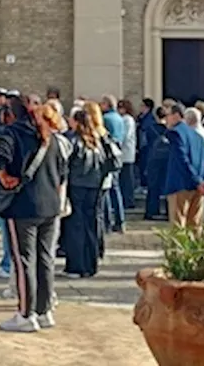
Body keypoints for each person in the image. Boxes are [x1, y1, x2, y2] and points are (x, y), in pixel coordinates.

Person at [0, 101, 68, 333]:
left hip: (24, 205)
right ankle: (44, 311)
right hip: (50, 205)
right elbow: (62, 171)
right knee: (45, 259)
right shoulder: (51, 138)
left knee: (24, 261)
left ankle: (25, 314)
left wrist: (4, 176)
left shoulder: (12, 134)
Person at [63, 109, 109, 278]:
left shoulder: (73, 140)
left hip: (77, 186)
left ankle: (76, 265)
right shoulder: (97, 141)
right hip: (94, 186)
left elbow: (66, 164)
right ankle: (91, 264)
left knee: (76, 225)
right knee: (91, 223)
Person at [164, 106, 204, 233]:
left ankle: (178, 253)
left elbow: (182, 160)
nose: (166, 119)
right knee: (196, 226)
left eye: (167, 115)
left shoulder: (176, 133)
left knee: (178, 226)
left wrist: (197, 181)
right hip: (199, 188)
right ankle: (194, 253)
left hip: (181, 185)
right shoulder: (199, 137)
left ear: (176, 115)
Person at [99, 96, 126, 234]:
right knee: (116, 189)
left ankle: (108, 221)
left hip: (108, 155)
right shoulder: (120, 119)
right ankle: (120, 221)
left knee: (107, 189)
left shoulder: (106, 119)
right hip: (118, 154)